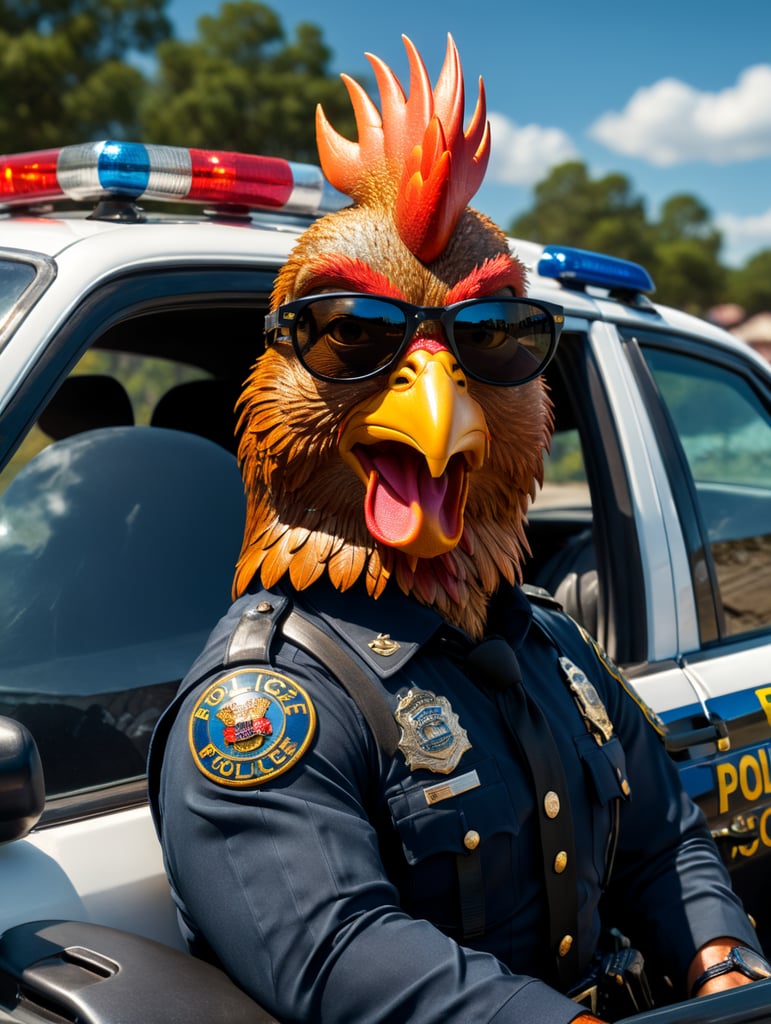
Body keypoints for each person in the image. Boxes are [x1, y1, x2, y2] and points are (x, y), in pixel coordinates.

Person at [149, 34, 767, 1023]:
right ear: (272, 372)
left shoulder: (550, 643)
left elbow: (662, 836)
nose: (435, 396)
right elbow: (339, 950)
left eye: (489, 342)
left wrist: (724, 961)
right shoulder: (264, 702)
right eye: (355, 335)